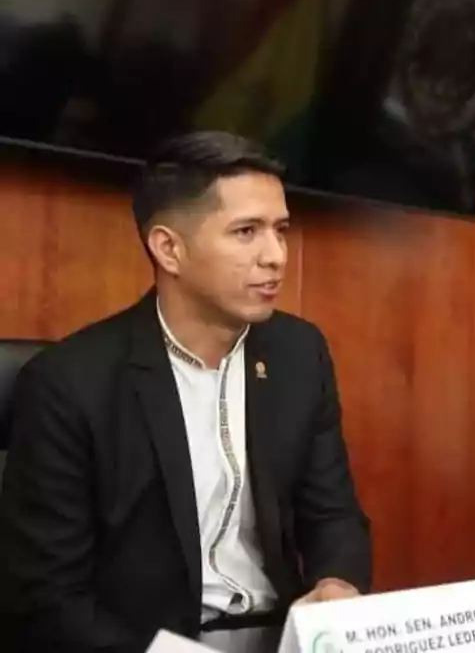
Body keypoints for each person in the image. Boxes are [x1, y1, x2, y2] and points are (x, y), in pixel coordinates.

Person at [0, 131, 372, 653]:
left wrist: (337, 586)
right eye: (246, 231)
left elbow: (333, 513)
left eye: (280, 230)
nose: (275, 256)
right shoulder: (69, 383)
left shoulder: (297, 354)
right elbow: (46, 598)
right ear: (169, 248)